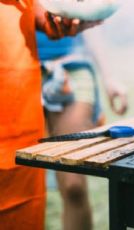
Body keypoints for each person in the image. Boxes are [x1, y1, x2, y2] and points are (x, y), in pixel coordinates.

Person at [0, 1, 99, 229]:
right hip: (17, 78)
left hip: (42, 73)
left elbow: (30, 10)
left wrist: (56, 19)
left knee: (69, 184)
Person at [37, 27, 128, 229]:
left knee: (73, 186)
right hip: (15, 70)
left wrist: (109, 77)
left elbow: (89, 16)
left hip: (71, 66)